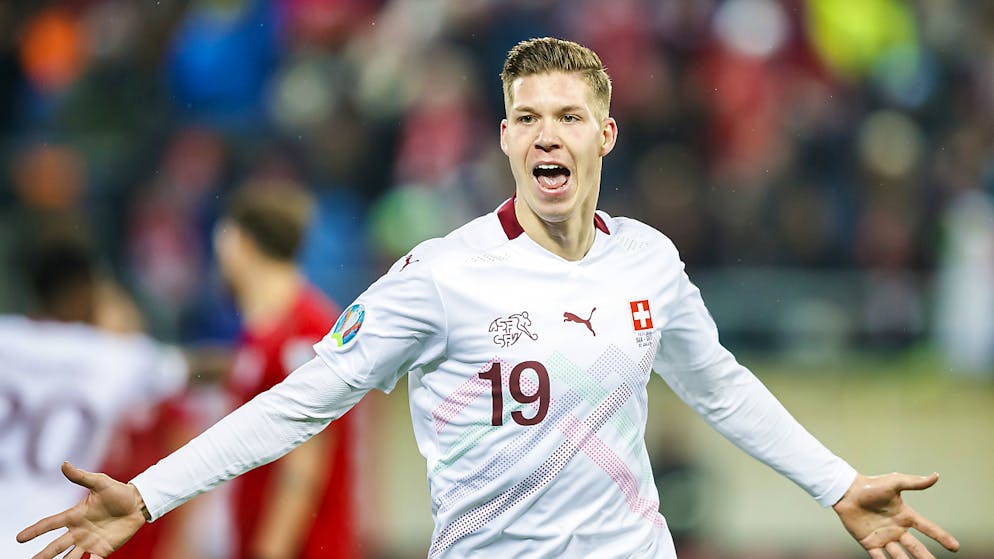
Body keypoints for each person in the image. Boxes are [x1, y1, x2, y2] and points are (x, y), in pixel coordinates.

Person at [19, 37, 958, 559]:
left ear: (606, 135)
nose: (548, 135)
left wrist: (837, 482)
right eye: (529, 118)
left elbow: (721, 388)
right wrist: (146, 493)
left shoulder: (651, 264)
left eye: (569, 117)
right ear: (507, 140)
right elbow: (298, 402)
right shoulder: (439, 276)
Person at [1, 234, 190, 559]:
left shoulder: (6, 336)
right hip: (45, 542)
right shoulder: (115, 356)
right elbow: (202, 368)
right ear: (84, 290)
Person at [212, 182, 359, 559]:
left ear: (240, 244)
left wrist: (270, 550)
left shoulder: (306, 331)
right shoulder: (259, 336)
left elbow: (303, 465)